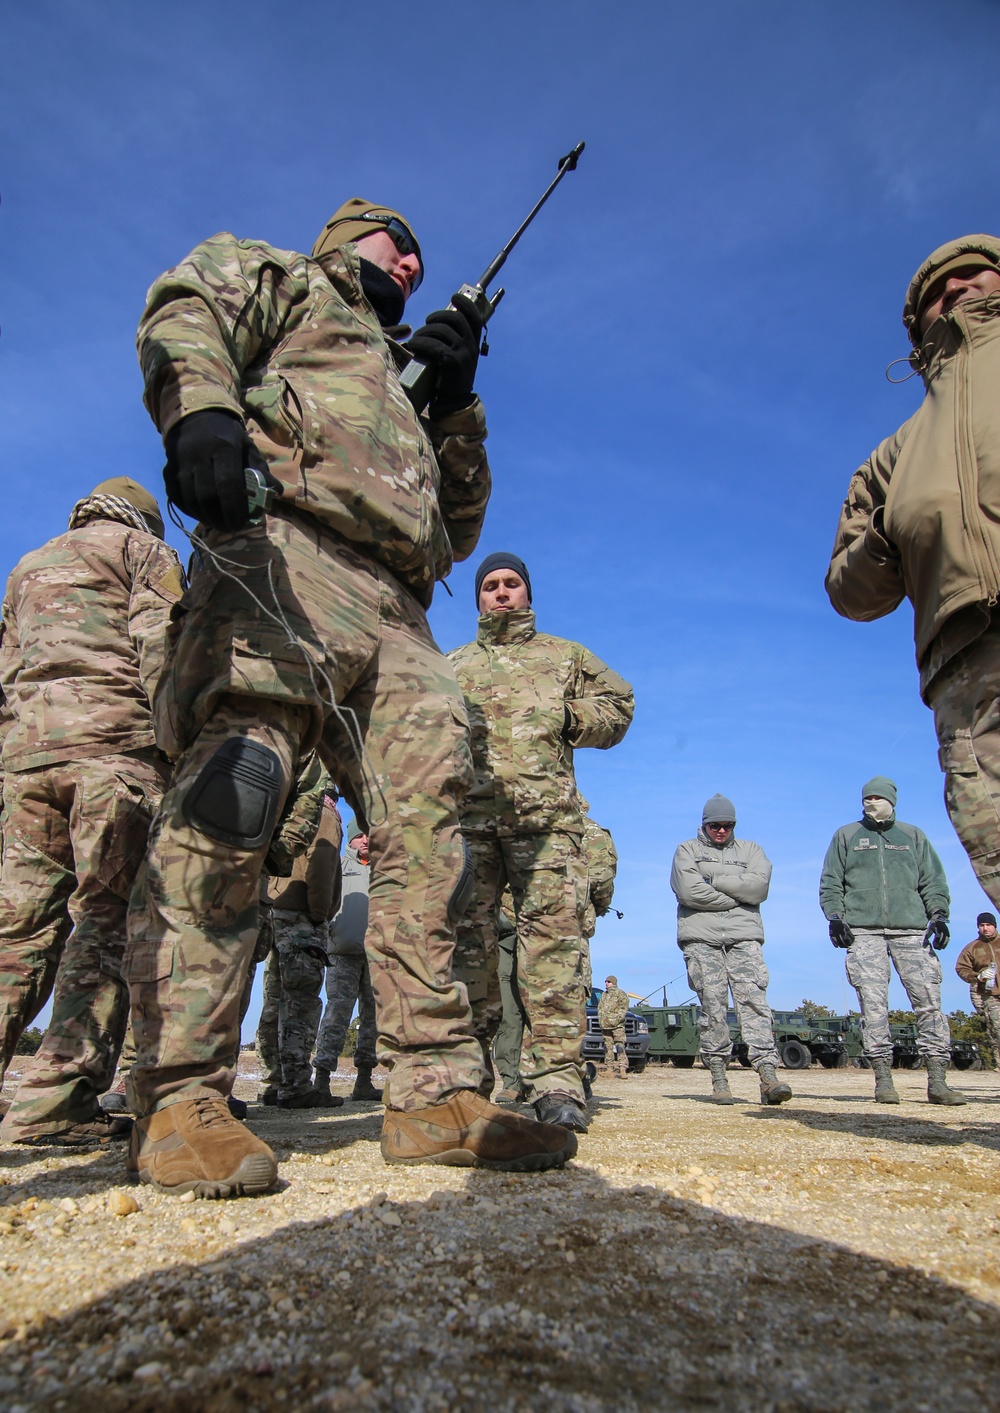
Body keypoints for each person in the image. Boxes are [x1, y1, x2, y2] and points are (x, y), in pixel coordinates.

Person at [125, 201, 577, 1196]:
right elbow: (186, 306)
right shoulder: (286, 280)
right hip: (284, 554)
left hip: (402, 610)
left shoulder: (414, 372)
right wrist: (201, 411)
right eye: (396, 241)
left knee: (429, 842)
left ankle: (434, 1091)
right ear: (346, 240)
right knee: (234, 793)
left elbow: (459, 527)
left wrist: (455, 406)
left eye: (421, 253)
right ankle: (180, 1092)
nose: (414, 261)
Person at [0, 478, 183, 1145]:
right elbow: (160, 646)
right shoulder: (142, 552)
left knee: (15, 932)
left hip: (27, 762)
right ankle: (54, 1102)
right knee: (105, 922)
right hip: (115, 756)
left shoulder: (27, 566)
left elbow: (6, 669)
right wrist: (179, 746)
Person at [825, 236, 1000, 911]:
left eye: (969, 274)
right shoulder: (890, 457)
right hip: (966, 675)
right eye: (933, 290)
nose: (952, 291)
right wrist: (884, 532)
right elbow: (850, 590)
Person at [449, 551, 634, 1134]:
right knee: (467, 953)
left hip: (548, 826)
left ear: (527, 593)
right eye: (491, 586)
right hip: (471, 829)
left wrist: (569, 718)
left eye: (512, 584)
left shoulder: (565, 656)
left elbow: (620, 703)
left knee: (554, 953)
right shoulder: (450, 665)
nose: (502, 594)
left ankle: (556, 1083)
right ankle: (470, 1080)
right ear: (479, 598)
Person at [819, 776, 963, 1105]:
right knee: (873, 1007)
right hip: (863, 931)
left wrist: (939, 915)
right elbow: (831, 880)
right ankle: (883, 1079)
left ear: (891, 800)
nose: (871, 802)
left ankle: (938, 1080)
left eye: (877, 797)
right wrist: (835, 917)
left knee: (929, 1003)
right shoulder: (846, 835)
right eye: (866, 797)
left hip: (912, 929)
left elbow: (932, 879)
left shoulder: (913, 836)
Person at [670, 794, 790, 1107]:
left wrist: (715, 879)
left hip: (744, 938)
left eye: (727, 825)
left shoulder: (752, 851)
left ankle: (767, 1075)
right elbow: (688, 890)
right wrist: (735, 898)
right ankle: (719, 1077)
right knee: (713, 1007)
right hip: (701, 939)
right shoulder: (687, 850)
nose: (721, 830)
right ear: (704, 824)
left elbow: (759, 888)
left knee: (754, 1003)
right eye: (715, 825)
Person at [257, 782, 343, 1108]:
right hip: (303, 916)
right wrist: (320, 915)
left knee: (274, 1000)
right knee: (301, 1001)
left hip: (274, 910)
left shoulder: (289, 805)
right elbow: (322, 863)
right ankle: (295, 1086)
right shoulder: (326, 813)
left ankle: (272, 1082)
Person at [312, 818, 382, 1103]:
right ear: (350, 840)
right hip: (342, 955)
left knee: (373, 1020)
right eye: (359, 836)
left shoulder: (383, 871)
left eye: (369, 836)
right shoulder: (339, 867)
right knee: (337, 1016)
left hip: (376, 957)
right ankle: (322, 1082)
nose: (365, 840)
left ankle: (364, 1082)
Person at [954, 911, 1000, 1059]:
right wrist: (977, 976)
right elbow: (961, 968)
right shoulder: (972, 948)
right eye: (982, 925)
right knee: (997, 1030)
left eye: (988, 925)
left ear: (995, 925)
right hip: (989, 995)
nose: (985, 928)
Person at [596, 975, 630, 1079]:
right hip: (605, 1026)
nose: (607, 983)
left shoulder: (621, 994)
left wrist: (615, 1020)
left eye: (609, 981)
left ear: (614, 982)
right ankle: (609, 1069)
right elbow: (600, 1008)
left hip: (617, 1026)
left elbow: (623, 1009)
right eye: (606, 981)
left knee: (619, 1046)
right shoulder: (604, 995)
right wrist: (601, 1020)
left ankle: (622, 1069)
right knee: (608, 1047)